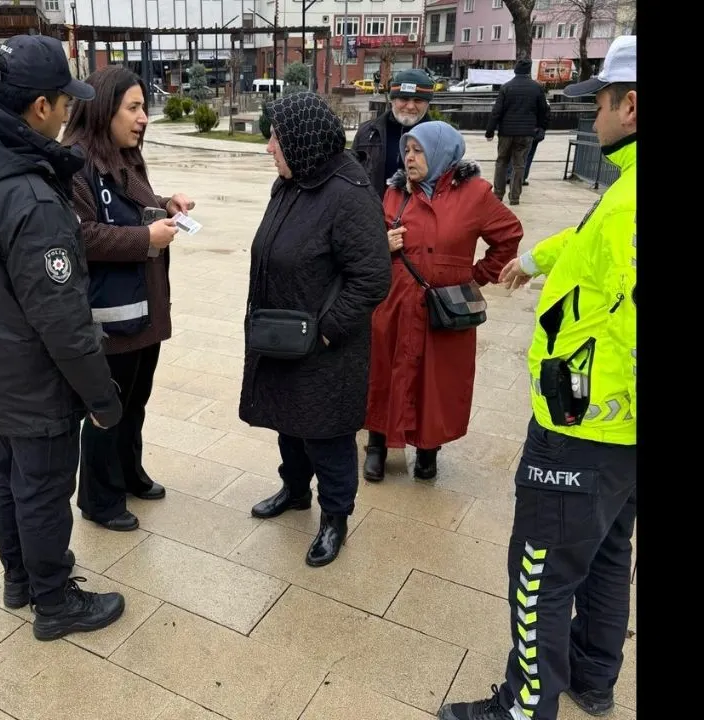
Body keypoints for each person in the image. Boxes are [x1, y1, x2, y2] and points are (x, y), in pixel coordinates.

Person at [438, 34, 636, 720]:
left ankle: (523, 707)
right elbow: (592, 247)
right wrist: (541, 259)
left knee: (541, 571)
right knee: (609, 554)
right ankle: (593, 677)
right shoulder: (628, 186)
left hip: (583, 422)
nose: (591, 116)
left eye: (599, 103)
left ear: (630, 105)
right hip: (619, 436)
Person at [0, 34, 127, 642]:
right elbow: (64, 323)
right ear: (39, 107)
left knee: (8, 472)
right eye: (63, 100)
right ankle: (53, 600)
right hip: (31, 372)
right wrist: (101, 397)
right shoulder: (32, 200)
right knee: (41, 486)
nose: (70, 109)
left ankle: (18, 577)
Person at [240, 92, 392, 567]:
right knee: (288, 421)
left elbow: (373, 277)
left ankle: (335, 517)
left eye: (276, 137)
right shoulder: (291, 182)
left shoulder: (349, 194)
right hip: (283, 336)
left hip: (326, 347)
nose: (269, 147)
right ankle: (294, 489)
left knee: (326, 435)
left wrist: (325, 332)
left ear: (303, 140)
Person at [63, 66, 195, 533]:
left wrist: (166, 205)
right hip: (109, 315)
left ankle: (128, 473)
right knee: (107, 407)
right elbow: (80, 234)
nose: (143, 118)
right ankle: (99, 498)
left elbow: (132, 204)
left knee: (136, 399)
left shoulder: (125, 154)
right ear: (104, 109)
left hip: (145, 305)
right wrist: (145, 238)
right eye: (133, 108)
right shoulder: (74, 161)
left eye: (144, 108)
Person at [363, 122, 523, 482]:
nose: (409, 157)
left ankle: (428, 449)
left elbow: (509, 234)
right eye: (407, 150)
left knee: (437, 381)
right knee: (384, 372)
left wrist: (476, 276)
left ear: (441, 152)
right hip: (396, 303)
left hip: (445, 309)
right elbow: (369, 238)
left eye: (418, 151)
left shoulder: (476, 193)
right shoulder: (394, 192)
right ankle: (376, 444)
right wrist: (382, 243)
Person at [352, 68, 436, 200]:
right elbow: (353, 178)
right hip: (374, 215)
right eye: (404, 99)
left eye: (418, 100)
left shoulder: (439, 138)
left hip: (420, 217)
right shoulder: (367, 133)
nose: (410, 106)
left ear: (427, 104)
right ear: (392, 100)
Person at [484, 58, 549, 206]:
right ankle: (514, 197)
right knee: (519, 164)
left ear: (516, 70)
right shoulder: (536, 88)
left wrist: (490, 131)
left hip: (506, 132)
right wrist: (541, 127)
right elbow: (544, 111)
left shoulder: (506, 87)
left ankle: (498, 194)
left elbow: (496, 112)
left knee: (501, 162)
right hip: (526, 133)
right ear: (528, 71)